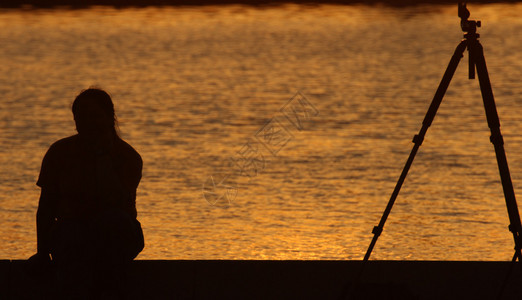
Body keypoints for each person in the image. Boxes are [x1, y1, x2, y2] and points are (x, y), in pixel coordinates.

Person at [28, 88, 144, 298]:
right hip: (71, 231)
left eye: (94, 117)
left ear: (109, 118)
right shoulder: (59, 152)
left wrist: (102, 156)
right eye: (81, 118)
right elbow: (46, 208)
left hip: (116, 232)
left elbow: (116, 201)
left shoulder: (128, 157)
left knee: (112, 222)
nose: (87, 124)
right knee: (71, 235)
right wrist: (43, 253)